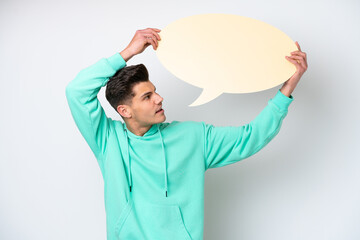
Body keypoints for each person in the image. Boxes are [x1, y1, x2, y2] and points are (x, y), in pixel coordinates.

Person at [65, 27, 308, 240]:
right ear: (124, 110)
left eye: (155, 91)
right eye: (147, 97)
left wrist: (287, 88)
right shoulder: (107, 140)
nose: (159, 99)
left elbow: (251, 136)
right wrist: (126, 53)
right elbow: (77, 91)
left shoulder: (193, 137)